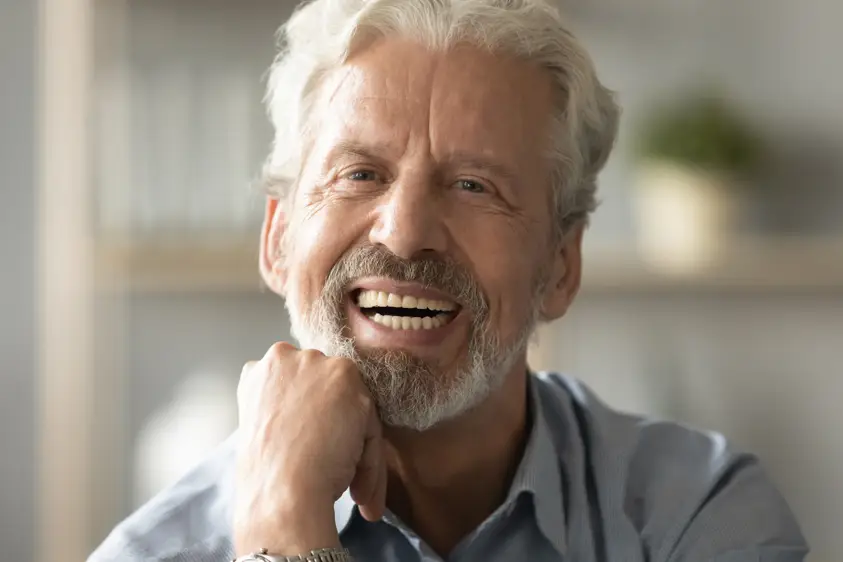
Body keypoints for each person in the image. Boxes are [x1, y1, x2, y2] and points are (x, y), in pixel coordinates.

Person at [90, 0, 808, 560]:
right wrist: (283, 520)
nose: (402, 232)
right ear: (278, 239)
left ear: (561, 265)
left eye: (472, 185)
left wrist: (287, 543)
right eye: (359, 174)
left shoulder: (695, 518)